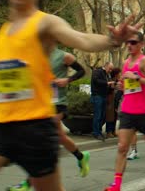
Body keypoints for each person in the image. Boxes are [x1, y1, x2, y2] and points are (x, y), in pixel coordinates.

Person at [0, 0, 141, 191]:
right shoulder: (3, 31)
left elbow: (81, 38)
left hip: (35, 130)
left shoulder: (45, 23)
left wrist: (112, 40)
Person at [7, 48, 90, 191]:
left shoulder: (63, 56)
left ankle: (28, 182)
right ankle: (81, 156)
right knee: (59, 137)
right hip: (40, 103)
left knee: (43, 139)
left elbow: (81, 71)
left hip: (58, 103)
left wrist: (68, 80)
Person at [105, 32, 145, 191]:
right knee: (122, 147)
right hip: (127, 110)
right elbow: (128, 86)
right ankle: (117, 184)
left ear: (141, 44)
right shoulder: (126, 62)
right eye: (128, 42)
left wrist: (137, 79)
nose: (129, 45)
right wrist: (122, 86)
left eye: (133, 42)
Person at [91, 62, 114, 140]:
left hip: (104, 96)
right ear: (106, 66)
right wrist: (107, 83)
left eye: (111, 69)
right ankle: (96, 133)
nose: (110, 70)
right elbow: (96, 80)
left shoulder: (107, 74)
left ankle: (99, 131)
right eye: (110, 68)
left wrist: (111, 86)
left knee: (102, 115)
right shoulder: (97, 71)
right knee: (98, 115)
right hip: (97, 96)